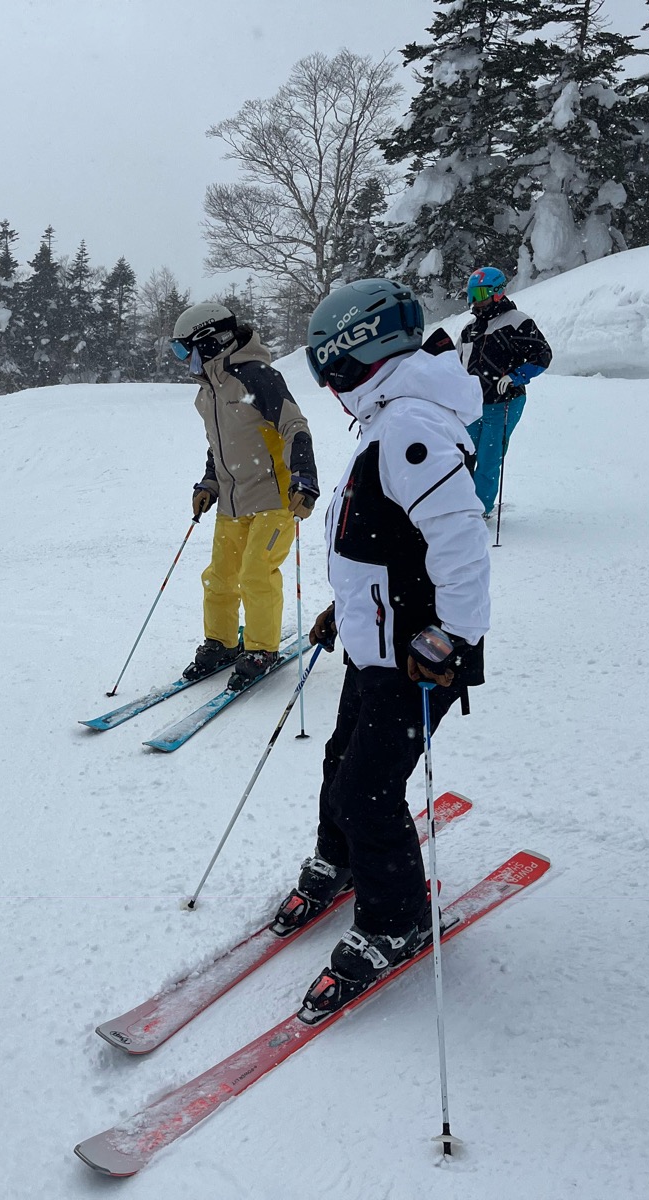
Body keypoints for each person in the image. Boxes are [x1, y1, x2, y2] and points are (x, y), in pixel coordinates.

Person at [275, 277, 490, 1020]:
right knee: (343, 763)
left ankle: (395, 920)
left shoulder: (408, 427)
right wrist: (345, 606)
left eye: (328, 369)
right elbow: (380, 540)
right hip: (376, 640)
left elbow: (462, 545)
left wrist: (451, 639)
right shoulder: (386, 419)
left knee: (371, 787)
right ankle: (341, 861)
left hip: (417, 654)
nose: (328, 386)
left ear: (356, 356)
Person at [173, 302, 318, 689]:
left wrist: (304, 476)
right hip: (232, 503)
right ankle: (221, 642)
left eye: (183, 349)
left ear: (208, 341)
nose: (183, 360)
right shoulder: (208, 394)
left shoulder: (257, 377)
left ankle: (261, 648)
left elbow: (294, 427)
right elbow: (218, 447)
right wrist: (209, 484)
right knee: (219, 577)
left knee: (257, 573)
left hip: (275, 498)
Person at [456, 266, 552, 517]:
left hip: (504, 402)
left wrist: (516, 376)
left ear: (498, 293)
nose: (476, 302)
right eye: (472, 295)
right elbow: (455, 363)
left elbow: (542, 356)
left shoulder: (516, 322)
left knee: (488, 456)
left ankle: (479, 510)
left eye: (482, 294)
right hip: (473, 404)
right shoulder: (470, 329)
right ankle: (458, 503)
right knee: (464, 453)